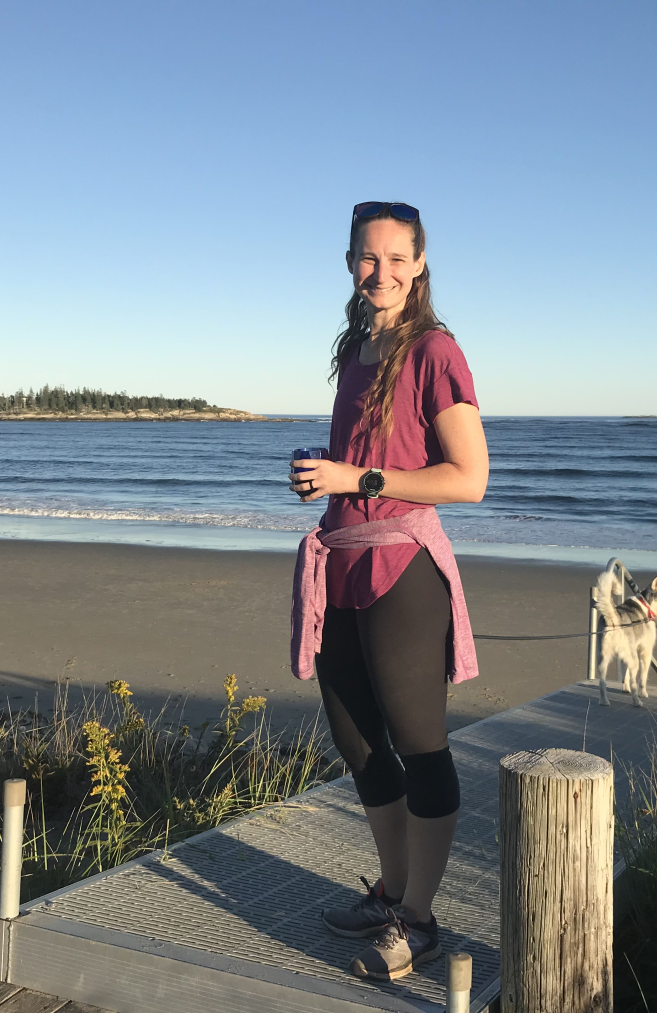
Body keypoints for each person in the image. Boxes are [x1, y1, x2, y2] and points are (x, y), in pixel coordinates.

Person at [288, 201, 488, 982]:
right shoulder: (358, 346)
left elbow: (468, 477)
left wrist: (357, 478)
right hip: (340, 558)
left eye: (397, 258)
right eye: (368, 258)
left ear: (421, 265)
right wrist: (327, 479)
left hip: (403, 564)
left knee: (421, 744)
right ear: (349, 264)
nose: (383, 271)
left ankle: (423, 919)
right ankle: (394, 889)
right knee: (358, 742)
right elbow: (366, 456)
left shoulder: (436, 349)